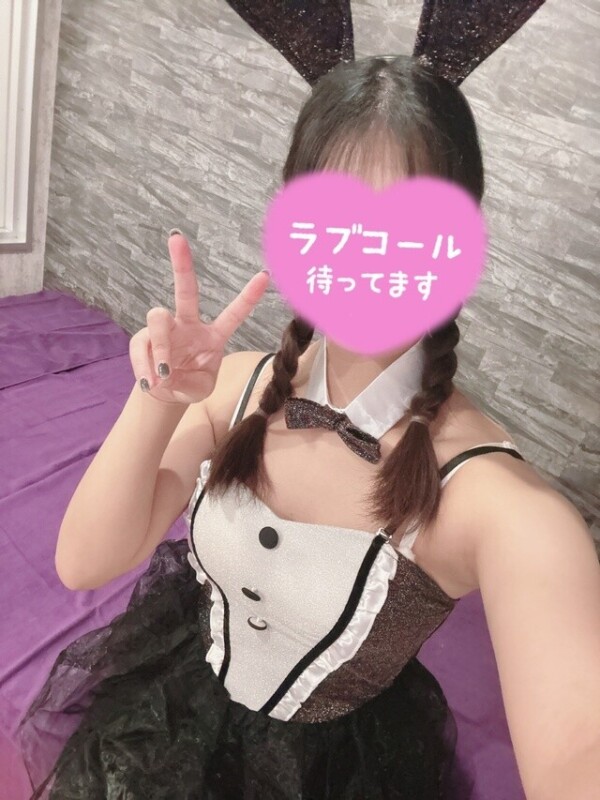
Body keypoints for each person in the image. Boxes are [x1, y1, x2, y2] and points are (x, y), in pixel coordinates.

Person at [17, 55, 600, 800]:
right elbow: (85, 562)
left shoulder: (496, 501)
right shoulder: (237, 388)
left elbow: (577, 750)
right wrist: (157, 398)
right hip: (172, 716)